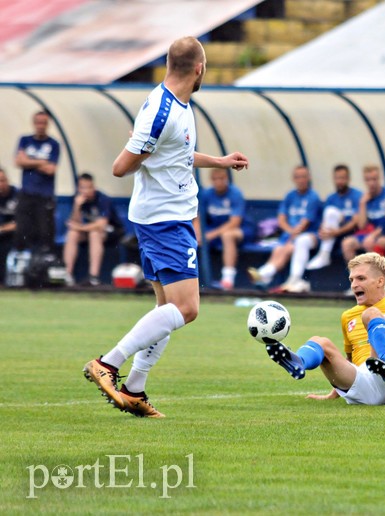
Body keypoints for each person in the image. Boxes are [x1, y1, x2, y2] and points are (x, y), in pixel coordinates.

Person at [82, 36, 249, 418]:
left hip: (161, 217)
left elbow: (175, 152)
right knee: (187, 308)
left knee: (166, 309)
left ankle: (135, 388)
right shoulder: (163, 111)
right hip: (165, 220)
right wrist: (140, 148)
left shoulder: (175, 103)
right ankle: (108, 363)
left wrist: (220, 162)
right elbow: (120, 167)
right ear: (199, 68)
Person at [265, 252, 385, 406]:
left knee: (371, 315)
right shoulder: (347, 316)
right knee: (319, 342)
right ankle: (299, 362)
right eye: (352, 279)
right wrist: (334, 393)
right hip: (364, 385)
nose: (354, 284)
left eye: (361, 278)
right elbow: (349, 360)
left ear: (380, 281)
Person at [247, 165, 322, 293]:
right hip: (289, 235)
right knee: (278, 249)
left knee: (291, 247)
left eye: (303, 177)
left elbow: (305, 223)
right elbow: (281, 219)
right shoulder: (290, 196)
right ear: (293, 179)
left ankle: (266, 274)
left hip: (308, 235)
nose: (301, 180)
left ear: (308, 178)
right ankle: (264, 277)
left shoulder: (313, 197)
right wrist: (290, 232)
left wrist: (292, 235)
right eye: (298, 177)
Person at [194, 167, 256, 290]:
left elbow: (234, 222)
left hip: (242, 229)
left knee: (228, 235)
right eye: (215, 179)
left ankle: (228, 280)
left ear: (227, 179)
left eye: (221, 179)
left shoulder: (235, 193)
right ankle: (192, 280)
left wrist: (209, 236)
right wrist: (197, 234)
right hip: (215, 230)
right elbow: (198, 218)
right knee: (190, 237)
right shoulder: (207, 194)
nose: (218, 182)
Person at [62, 172, 124, 287]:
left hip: (111, 232)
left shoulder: (103, 199)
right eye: (82, 188)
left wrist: (80, 227)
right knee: (72, 234)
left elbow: (101, 224)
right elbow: (73, 223)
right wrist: (77, 206)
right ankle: (67, 274)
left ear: (93, 187)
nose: (85, 191)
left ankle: (93, 277)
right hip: (88, 231)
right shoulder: (77, 199)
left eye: (88, 187)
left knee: (94, 233)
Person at [13, 110, 60, 254]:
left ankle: (43, 263)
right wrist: (41, 162)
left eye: (44, 123)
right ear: (34, 123)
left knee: (44, 231)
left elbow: (51, 169)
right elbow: (18, 161)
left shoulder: (53, 144)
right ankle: (22, 259)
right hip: (26, 192)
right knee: (22, 229)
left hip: (44, 195)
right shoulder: (25, 140)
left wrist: (29, 161)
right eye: (38, 122)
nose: (41, 126)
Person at [306, 164, 362, 271]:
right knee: (329, 212)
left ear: (348, 179)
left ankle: (324, 254)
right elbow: (324, 220)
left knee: (331, 211)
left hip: (352, 233)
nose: (340, 181)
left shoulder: (357, 195)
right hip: (334, 236)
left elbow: (355, 221)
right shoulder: (331, 198)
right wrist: (323, 230)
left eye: (342, 178)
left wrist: (336, 232)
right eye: (337, 178)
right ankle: (323, 255)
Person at [341, 164, 385, 266]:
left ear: (379, 178)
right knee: (346, 244)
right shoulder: (365, 198)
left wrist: (373, 235)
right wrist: (362, 204)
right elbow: (362, 226)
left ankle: (376, 278)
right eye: (368, 180)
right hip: (369, 234)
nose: (371, 183)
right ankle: (356, 277)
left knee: (369, 242)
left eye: (374, 179)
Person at [0, 167, 18, 284]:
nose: (1, 184)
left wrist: (2, 229)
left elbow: (22, 223)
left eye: (3, 180)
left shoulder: (17, 195)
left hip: (13, 236)